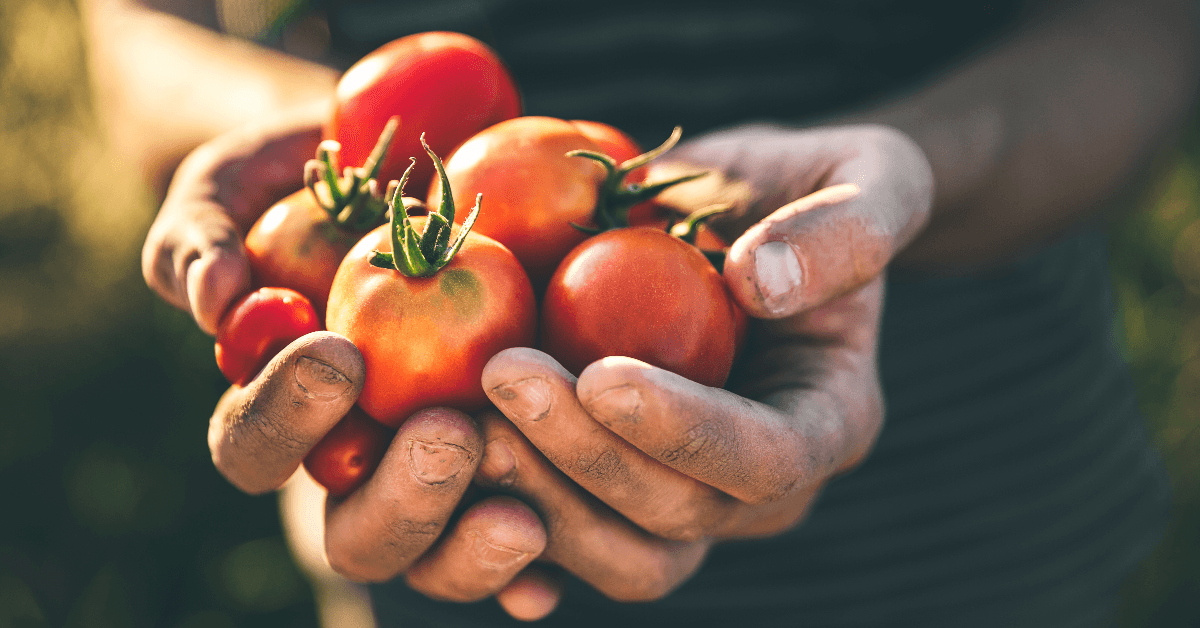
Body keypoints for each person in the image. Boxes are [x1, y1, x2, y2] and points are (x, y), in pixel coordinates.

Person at [84, 0, 1199, 625]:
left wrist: (914, 181)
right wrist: (337, 150)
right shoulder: (460, 225)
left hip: (980, 536)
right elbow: (138, 31)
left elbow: (1148, 30)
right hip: (437, 555)